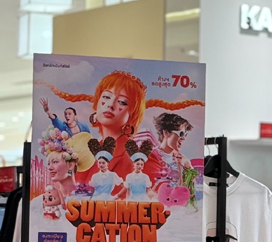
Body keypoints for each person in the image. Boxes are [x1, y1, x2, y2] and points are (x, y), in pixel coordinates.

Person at [38, 71, 204, 186]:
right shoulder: (87, 147)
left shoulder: (139, 156)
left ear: (131, 114)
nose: (110, 104)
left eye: (122, 102)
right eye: (106, 97)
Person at [152, 112, 193, 185]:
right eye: (181, 134)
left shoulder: (184, 161)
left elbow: (190, 186)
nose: (183, 138)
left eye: (185, 134)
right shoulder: (151, 157)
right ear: (166, 133)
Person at [39, 127, 78, 198]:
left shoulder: (90, 197)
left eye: (55, 162)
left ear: (71, 165)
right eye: (48, 163)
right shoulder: (41, 200)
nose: (50, 168)